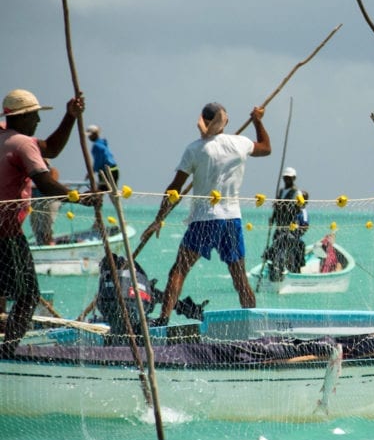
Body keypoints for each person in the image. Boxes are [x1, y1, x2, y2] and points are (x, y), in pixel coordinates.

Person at [143, 102, 271, 326]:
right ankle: (253, 323)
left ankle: (163, 320)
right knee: (239, 275)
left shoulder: (195, 149)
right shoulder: (240, 143)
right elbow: (266, 148)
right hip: (232, 218)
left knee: (179, 269)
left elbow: (174, 188)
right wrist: (258, 121)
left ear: (202, 121)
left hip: (205, 219)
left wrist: (158, 220)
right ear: (226, 122)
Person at [1, 89, 101, 357]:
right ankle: (7, 352)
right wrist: (80, 198)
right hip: (5, 233)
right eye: (34, 115)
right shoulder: (22, 144)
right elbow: (44, 182)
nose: (38, 121)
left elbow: (52, 149)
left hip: (9, 231)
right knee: (28, 295)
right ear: (21, 117)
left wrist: (70, 117)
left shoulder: (7, 137)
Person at [264, 167, 304, 279]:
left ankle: (290, 271)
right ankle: (275, 270)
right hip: (279, 226)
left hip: (290, 226)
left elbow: (298, 209)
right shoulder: (281, 192)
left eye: (289, 178)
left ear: (294, 178)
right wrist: (273, 218)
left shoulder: (297, 192)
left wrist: (286, 206)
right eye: (286, 178)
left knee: (289, 249)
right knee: (275, 247)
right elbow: (276, 209)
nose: (287, 180)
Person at [29, 162, 61, 246]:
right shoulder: (30, 171)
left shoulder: (52, 171)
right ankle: (41, 244)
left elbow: (51, 183)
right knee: (35, 225)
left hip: (50, 201)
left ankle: (49, 243)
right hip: (35, 201)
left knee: (47, 226)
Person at [85, 124, 119, 190]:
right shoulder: (103, 143)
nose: (89, 137)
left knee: (99, 192)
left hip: (107, 172)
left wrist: (91, 172)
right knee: (113, 192)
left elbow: (98, 161)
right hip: (115, 169)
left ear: (94, 134)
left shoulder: (96, 146)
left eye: (90, 136)